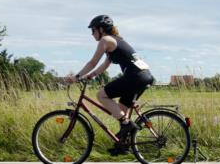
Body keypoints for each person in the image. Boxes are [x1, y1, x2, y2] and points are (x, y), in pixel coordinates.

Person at [66, 15, 155, 152]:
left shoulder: (105, 40)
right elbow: (104, 65)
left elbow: (92, 62)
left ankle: (127, 125)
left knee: (101, 95)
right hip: (144, 76)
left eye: (93, 30)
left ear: (101, 29)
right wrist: (91, 75)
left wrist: (77, 77)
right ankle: (122, 145)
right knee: (120, 110)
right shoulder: (115, 40)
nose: (92, 34)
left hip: (134, 77)